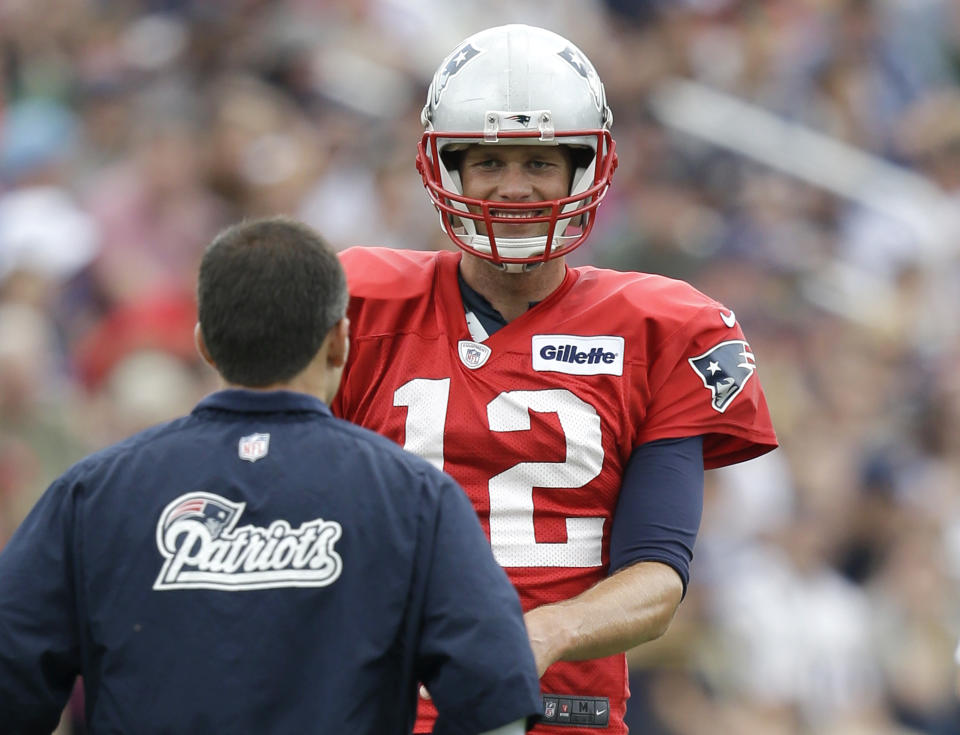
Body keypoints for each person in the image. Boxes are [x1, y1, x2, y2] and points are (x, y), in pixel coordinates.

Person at [331, 24, 779, 734]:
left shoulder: (663, 328)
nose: (514, 187)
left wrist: (541, 634)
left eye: (539, 161)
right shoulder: (358, 301)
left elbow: (658, 577)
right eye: (488, 161)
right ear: (446, 168)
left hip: (563, 712)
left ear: (584, 168)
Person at [0, 216, 542, 735]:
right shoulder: (413, 494)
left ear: (205, 345)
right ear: (338, 340)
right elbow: (493, 696)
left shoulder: (94, 492)